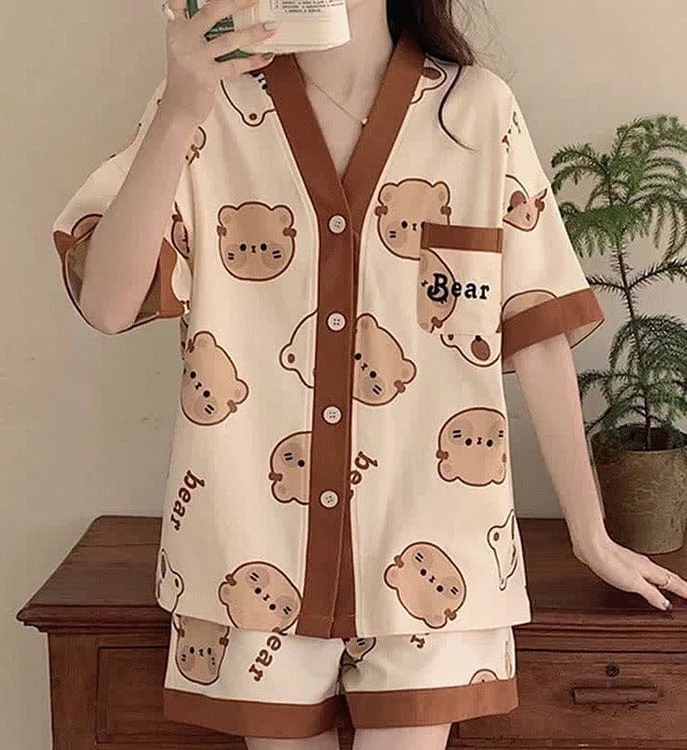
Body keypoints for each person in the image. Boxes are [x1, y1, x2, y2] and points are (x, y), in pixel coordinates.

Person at [51, 0, 687, 748]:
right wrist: (179, 110)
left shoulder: (475, 111)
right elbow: (107, 304)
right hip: (250, 556)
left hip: (438, 549)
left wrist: (592, 536)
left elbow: (535, 325)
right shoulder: (206, 102)